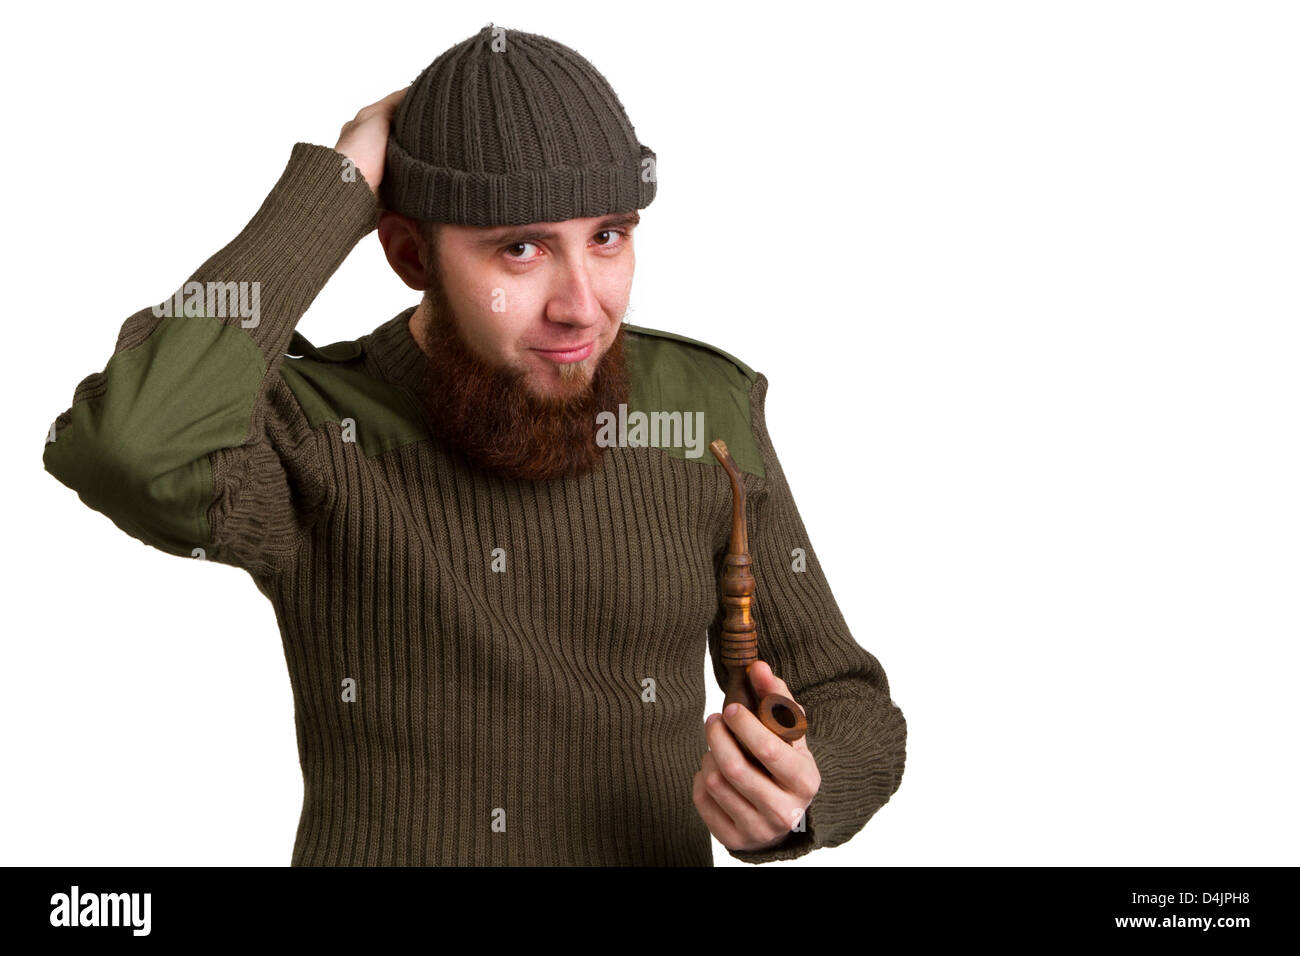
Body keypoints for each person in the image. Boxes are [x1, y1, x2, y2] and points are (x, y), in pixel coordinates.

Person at [42, 23, 906, 866]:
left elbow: (843, 694)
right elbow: (128, 444)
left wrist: (801, 797)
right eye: (521, 249)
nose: (581, 306)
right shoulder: (312, 429)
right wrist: (339, 183)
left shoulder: (705, 411)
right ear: (411, 253)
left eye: (608, 235)